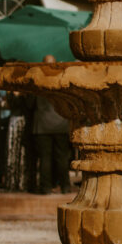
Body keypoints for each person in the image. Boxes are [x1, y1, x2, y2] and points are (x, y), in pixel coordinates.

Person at [30, 54, 71, 195]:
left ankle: (45, 188)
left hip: (42, 125)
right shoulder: (61, 79)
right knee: (62, 158)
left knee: (45, 159)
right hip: (60, 123)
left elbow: (31, 104)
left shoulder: (37, 80)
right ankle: (65, 186)